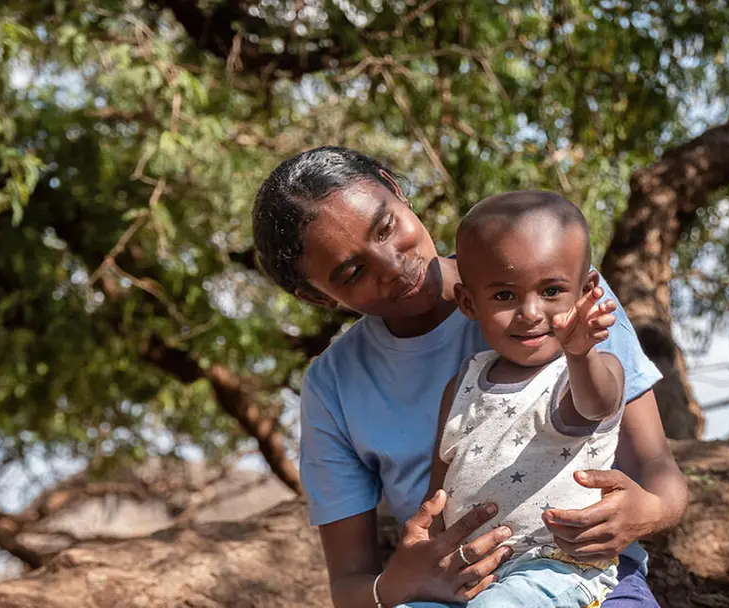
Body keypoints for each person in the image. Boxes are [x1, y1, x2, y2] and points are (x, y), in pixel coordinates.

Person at [252, 146, 687, 608]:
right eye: (354, 271)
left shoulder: (566, 302)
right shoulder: (333, 386)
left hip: (583, 580)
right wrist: (396, 584)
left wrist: (650, 511)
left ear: (397, 191)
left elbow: (657, 465)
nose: (393, 266)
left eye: (386, 228)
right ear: (318, 297)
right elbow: (350, 587)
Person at [423, 190, 630, 608]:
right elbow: (438, 491)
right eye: (504, 296)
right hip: (474, 573)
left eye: (552, 290)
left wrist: (580, 351)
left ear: (587, 290)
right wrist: (429, 557)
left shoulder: (585, 371)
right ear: (468, 302)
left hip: (558, 567)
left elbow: (595, 404)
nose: (531, 312)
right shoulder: (463, 383)